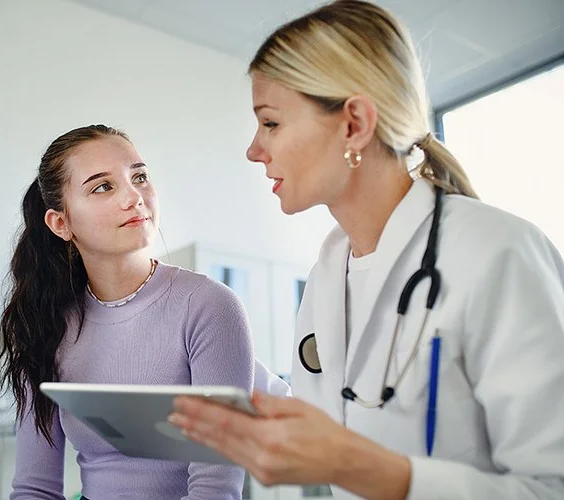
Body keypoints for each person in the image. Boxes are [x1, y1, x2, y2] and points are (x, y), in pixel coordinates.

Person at [168, 1, 564, 499]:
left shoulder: (499, 253)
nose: (254, 149)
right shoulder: (327, 277)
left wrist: (376, 473)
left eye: (270, 123)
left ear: (353, 123)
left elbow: (551, 486)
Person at [0, 124, 259, 500]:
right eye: (103, 186)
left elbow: (216, 489)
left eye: (139, 177)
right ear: (61, 223)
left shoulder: (209, 305)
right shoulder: (44, 325)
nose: (134, 196)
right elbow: (34, 489)